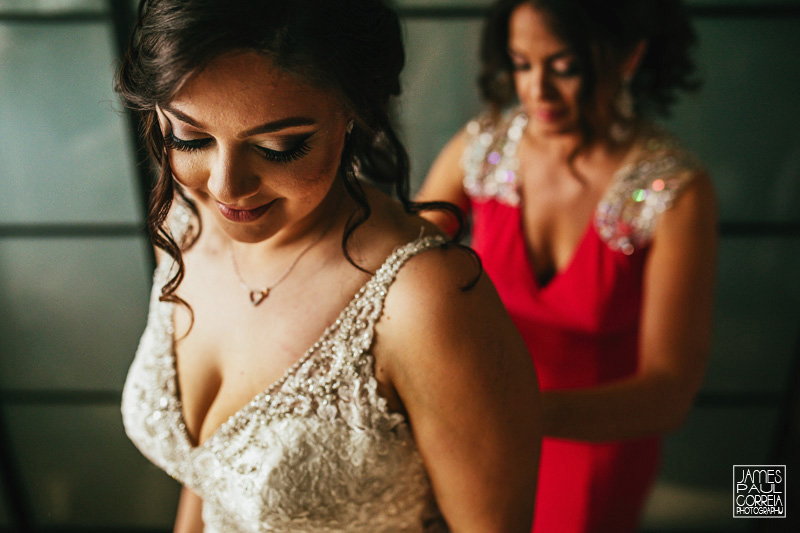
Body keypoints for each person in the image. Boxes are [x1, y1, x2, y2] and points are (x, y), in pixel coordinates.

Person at [117, 1, 541, 531]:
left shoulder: (425, 302)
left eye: (279, 146)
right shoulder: (183, 227)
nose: (225, 186)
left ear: (354, 112)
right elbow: (208, 479)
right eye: (191, 137)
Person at [416, 0, 716, 531]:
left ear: (629, 56)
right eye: (521, 64)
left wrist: (518, 412)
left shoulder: (676, 194)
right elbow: (393, 267)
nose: (536, 92)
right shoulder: (482, 148)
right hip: (477, 433)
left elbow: (668, 395)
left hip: (593, 444)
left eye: (565, 68)